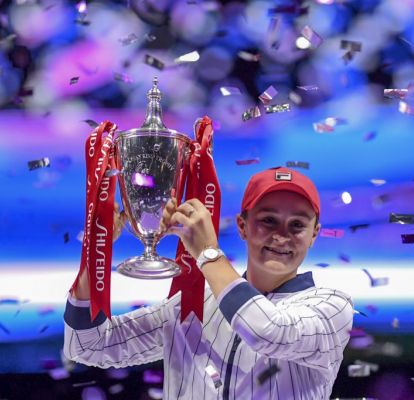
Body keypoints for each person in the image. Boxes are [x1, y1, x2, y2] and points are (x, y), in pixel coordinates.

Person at [64, 166, 354, 399]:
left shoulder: (330, 307)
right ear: (243, 226)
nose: (281, 235)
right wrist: (97, 252)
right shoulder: (194, 305)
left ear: (314, 234)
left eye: (297, 225)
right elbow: (88, 345)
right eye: (268, 220)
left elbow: (266, 330)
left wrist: (207, 252)